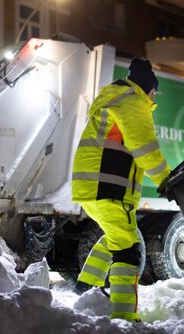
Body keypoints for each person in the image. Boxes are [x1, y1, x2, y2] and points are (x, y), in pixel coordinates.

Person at [71, 57, 171, 322]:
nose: (154, 97)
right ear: (148, 87)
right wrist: (166, 180)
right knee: (128, 247)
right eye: (154, 91)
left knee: (114, 237)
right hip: (108, 187)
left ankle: (86, 285)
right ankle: (125, 316)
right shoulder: (133, 102)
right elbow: (145, 148)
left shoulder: (114, 98)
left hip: (92, 187)